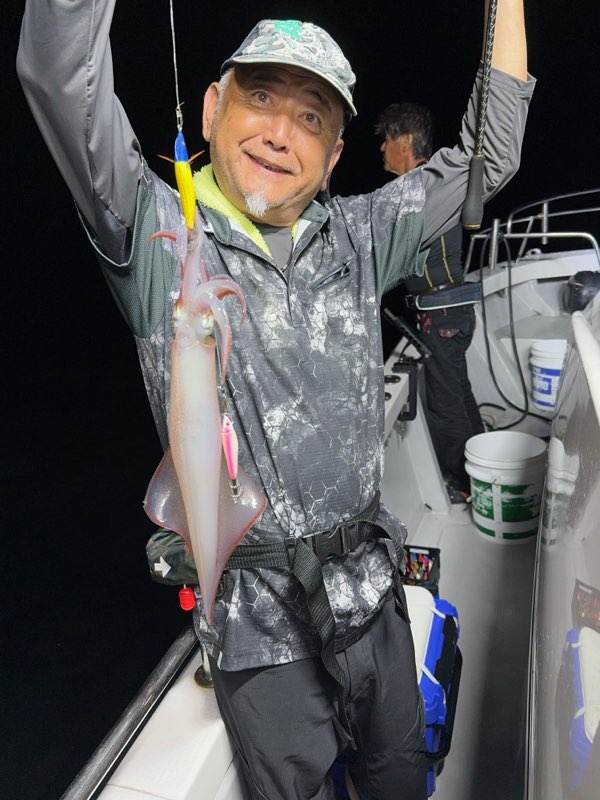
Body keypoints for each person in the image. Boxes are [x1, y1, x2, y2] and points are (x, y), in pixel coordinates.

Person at [17, 3, 533, 798]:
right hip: (257, 637)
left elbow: (489, 159)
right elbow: (59, 76)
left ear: (333, 158)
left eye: (312, 116)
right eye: (260, 97)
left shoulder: (363, 235)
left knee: (400, 775)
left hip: (372, 595)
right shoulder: (156, 233)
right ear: (212, 109)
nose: (280, 133)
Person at [376, 103, 486, 502]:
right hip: (449, 312)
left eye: (387, 139)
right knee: (458, 391)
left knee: (444, 404)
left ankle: (467, 484)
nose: (382, 148)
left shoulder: (421, 187)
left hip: (441, 315)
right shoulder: (427, 186)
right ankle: (482, 466)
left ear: (405, 141)